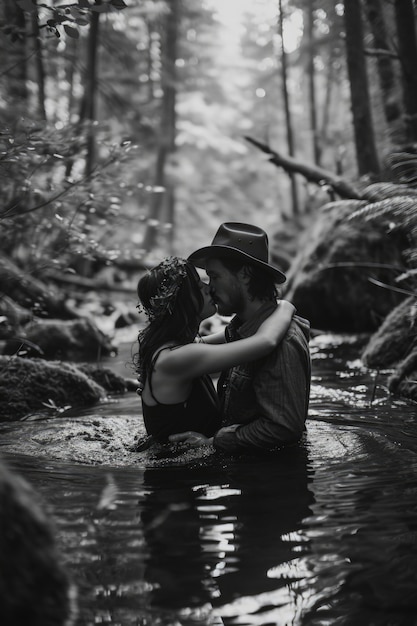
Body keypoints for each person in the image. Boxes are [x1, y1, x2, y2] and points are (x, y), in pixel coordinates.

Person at [169, 222, 311, 454]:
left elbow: (284, 428)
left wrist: (213, 442)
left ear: (245, 274)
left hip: (271, 481)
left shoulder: (283, 343)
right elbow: (193, 350)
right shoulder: (241, 330)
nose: (210, 288)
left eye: (214, 276)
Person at [133, 256, 295, 447]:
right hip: (180, 475)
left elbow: (233, 335)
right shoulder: (177, 358)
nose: (208, 288)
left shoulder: (172, 349)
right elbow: (265, 341)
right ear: (182, 301)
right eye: (198, 286)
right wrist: (285, 306)